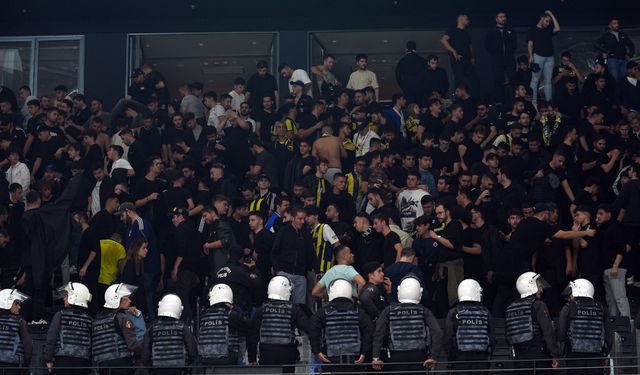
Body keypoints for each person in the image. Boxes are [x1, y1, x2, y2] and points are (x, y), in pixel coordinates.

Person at [372, 275, 444, 373]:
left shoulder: (388, 311)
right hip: (419, 357)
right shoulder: (424, 311)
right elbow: (437, 332)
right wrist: (433, 357)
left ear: (399, 291)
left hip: (395, 357)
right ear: (419, 292)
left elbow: (379, 333)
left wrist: (376, 357)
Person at [310, 278, 373, 373]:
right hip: (355, 359)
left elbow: (313, 329)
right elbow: (369, 330)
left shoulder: (323, 312)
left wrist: (317, 351)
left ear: (331, 292)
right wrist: (364, 352)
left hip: (331, 360)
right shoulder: (358, 311)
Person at [506, 273, 561, 374]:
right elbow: (548, 332)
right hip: (538, 356)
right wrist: (555, 355)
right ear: (531, 285)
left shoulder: (510, 308)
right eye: (539, 286)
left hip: (518, 358)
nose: (541, 289)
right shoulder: (538, 305)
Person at [254, 276, 309, 373]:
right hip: (287, 353)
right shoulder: (294, 308)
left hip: (266, 353)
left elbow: (253, 334)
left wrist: (251, 358)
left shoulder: (261, 309)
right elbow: (306, 326)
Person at [557, 279, 611, 375]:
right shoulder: (601, 308)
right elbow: (609, 338)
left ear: (578, 291)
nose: (570, 297)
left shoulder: (568, 307)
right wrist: (604, 354)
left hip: (574, 358)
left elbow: (561, 335)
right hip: (596, 359)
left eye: (571, 294)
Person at [444, 279, 494, 372]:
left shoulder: (454, 312)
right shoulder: (486, 312)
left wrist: (451, 358)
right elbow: (492, 338)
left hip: (459, 359)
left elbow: (448, 338)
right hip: (481, 360)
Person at [92, 283, 142, 375]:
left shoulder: (96, 320)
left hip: (102, 367)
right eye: (126, 298)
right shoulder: (122, 318)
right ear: (116, 300)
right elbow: (133, 345)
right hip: (121, 365)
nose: (130, 301)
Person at [199, 284, 254, 366]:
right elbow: (249, 325)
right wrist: (235, 308)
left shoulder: (203, 316)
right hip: (227, 359)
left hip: (205, 359)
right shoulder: (231, 315)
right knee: (242, 338)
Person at [142, 294, 198, 375]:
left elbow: (145, 356)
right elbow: (193, 353)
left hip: (157, 371)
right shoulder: (183, 328)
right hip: (179, 371)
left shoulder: (152, 329)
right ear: (179, 309)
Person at [44, 282, 93, 375]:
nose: (64, 298)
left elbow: (51, 338)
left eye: (67, 295)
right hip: (83, 363)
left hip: (62, 362)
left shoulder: (60, 315)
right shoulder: (89, 319)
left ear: (74, 297)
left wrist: (48, 359)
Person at [271, 207, 316, 305]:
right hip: (284, 273)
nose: (302, 221)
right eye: (299, 219)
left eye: (304, 219)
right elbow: (274, 252)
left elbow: (311, 254)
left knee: (299, 308)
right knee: (281, 304)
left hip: (300, 276)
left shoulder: (306, 234)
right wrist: (278, 270)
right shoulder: (283, 231)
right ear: (292, 218)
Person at [169, 206, 202, 323]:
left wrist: (175, 268)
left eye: (174, 217)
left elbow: (181, 252)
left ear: (180, 217)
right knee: (190, 298)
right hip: (195, 269)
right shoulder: (194, 228)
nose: (172, 220)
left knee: (183, 299)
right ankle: (193, 324)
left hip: (184, 270)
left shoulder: (180, 229)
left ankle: (186, 325)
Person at [527, 10, 561, 105]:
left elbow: (557, 28)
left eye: (549, 22)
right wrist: (530, 56)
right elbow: (530, 44)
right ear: (541, 18)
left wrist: (551, 15)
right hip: (538, 56)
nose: (548, 23)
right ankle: (533, 103)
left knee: (548, 81)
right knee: (535, 80)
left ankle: (549, 103)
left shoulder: (548, 29)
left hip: (549, 57)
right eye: (547, 21)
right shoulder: (532, 29)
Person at [485, 11, 517, 103]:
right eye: (501, 16)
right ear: (496, 19)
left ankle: (514, 100)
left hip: (509, 58)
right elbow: (487, 45)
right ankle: (500, 100)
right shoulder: (491, 31)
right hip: (497, 59)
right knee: (498, 79)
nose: (503, 18)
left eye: (504, 16)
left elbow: (514, 44)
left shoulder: (510, 30)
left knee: (512, 78)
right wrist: (495, 53)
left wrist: (510, 51)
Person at [441, 14, 476, 95]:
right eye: (466, 19)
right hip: (458, 59)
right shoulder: (452, 30)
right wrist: (453, 51)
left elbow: (469, 46)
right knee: (460, 80)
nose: (468, 21)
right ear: (461, 20)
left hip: (468, 60)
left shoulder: (466, 33)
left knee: (471, 81)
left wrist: (472, 58)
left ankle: (468, 98)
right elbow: (443, 40)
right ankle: (460, 98)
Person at [0, 289, 32, 375]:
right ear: (7, 303)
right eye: (16, 304)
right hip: (14, 366)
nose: (19, 307)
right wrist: (26, 365)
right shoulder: (20, 322)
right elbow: (28, 347)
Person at [595, 18, 636, 83]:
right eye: (614, 23)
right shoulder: (606, 35)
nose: (617, 25)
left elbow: (631, 45)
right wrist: (604, 51)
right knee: (614, 79)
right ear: (610, 26)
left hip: (623, 59)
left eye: (617, 23)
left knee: (624, 79)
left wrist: (630, 55)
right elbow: (596, 43)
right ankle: (615, 93)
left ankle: (623, 93)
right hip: (612, 59)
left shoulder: (623, 35)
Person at [395, 41, 427, 105]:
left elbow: (398, 76)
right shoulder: (422, 60)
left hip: (408, 91)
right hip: (420, 91)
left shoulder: (402, 61)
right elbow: (426, 76)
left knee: (410, 110)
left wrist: (404, 87)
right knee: (419, 110)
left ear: (406, 49)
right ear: (415, 49)